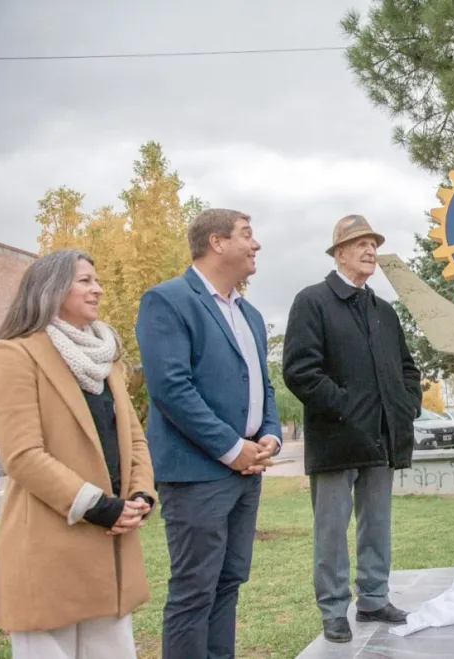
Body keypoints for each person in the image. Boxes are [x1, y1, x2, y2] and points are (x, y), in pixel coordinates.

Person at [0, 249, 155, 659]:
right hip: (47, 547)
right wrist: (98, 506)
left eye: (96, 280)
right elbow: (22, 455)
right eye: (85, 280)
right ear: (52, 288)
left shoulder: (106, 358)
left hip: (110, 547)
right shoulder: (14, 354)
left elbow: (134, 439)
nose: (98, 288)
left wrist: (141, 496)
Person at [135, 209, 282, 659]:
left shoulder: (251, 314)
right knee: (194, 590)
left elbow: (263, 384)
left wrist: (270, 434)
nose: (256, 245)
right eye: (246, 236)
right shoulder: (168, 300)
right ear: (217, 242)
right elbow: (171, 388)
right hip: (197, 475)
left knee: (229, 582)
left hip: (246, 473)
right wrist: (231, 448)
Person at [282, 214, 421, 644]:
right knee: (331, 530)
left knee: (376, 525)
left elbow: (407, 368)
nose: (369, 250)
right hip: (336, 440)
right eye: (359, 244)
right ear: (339, 253)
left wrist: (406, 406)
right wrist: (346, 407)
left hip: (382, 439)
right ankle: (333, 609)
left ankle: (374, 598)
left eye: (373, 244)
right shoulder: (312, 301)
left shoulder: (383, 311)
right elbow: (300, 371)